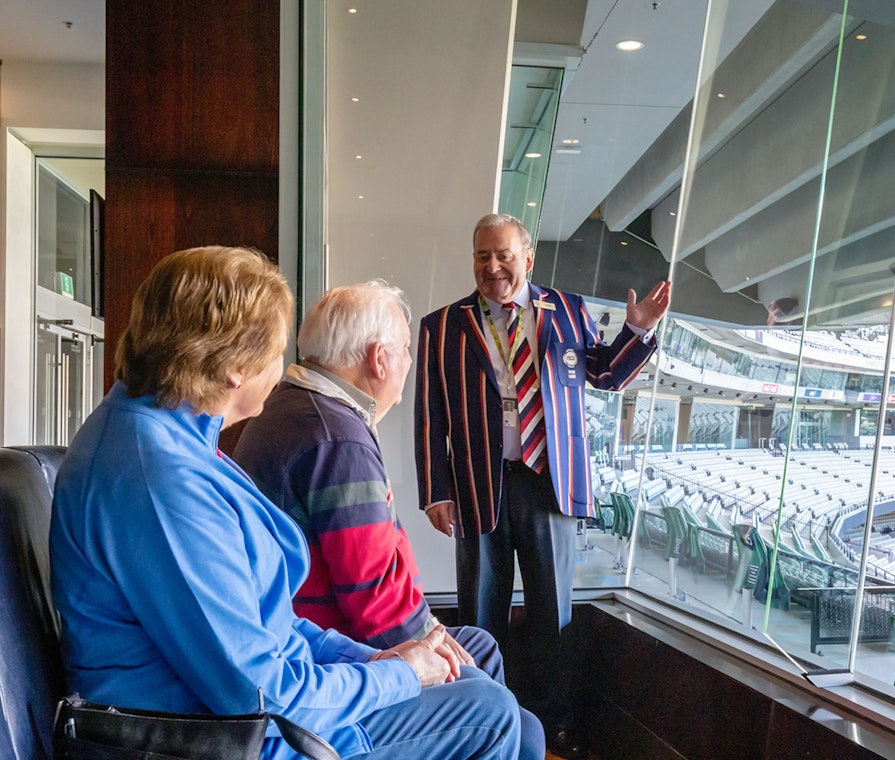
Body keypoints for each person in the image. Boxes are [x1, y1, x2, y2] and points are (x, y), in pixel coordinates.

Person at [50, 246, 522, 760]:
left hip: (247, 707)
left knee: (477, 682)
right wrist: (400, 673)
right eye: (277, 353)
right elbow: (261, 697)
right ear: (234, 367)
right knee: (491, 711)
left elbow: (270, 623)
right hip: (229, 738)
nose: (283, 369)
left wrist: (378, 660)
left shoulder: (165, 435)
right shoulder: (160, 478)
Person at [234, 280, 543, 759]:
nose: (407, 365)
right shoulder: (338, 438)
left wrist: (433, 636)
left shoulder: (295, 408)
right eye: (404, 351)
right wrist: (427, 643)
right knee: (513, 721)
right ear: (378, 359)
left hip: (322, 635)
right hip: (334, 652)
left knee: (480, 645)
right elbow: (371, 593)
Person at [415, 214, 671, 757]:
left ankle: (551, 724)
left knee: (552, 611)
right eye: (483, 256)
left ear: (527, 259)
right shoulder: (444, 325)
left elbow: (604, 375)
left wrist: (638, 331)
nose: (493, 267)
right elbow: (429, 414)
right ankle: (482, 719)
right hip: (477, 484)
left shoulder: (569, 310)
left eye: (503, 255)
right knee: (479, 609)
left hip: (549, 483)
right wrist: (436, 491)